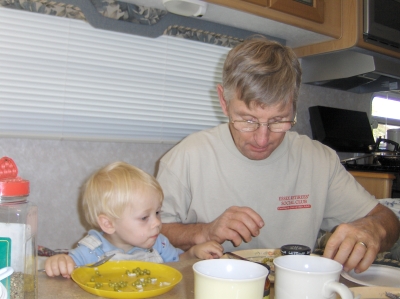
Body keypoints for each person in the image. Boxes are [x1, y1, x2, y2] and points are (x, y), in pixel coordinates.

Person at [156, 36, 400, 274]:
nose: (262, 139)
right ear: (224, 101)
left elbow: (386, 219)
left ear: (294, 103)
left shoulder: (319, 160)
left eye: (279, 120)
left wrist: (372, 229)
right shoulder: (186, 157)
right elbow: (144, 235)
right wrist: (204, 232)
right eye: (248, 120)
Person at [45, 161, 223, 278]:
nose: (157, 223)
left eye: (158, 213)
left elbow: (176, 263)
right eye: (145, 217)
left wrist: (193, 253)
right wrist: (60, 262)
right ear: (108, 224)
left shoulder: (158, 244)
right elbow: (69, 266)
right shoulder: (92, 250)